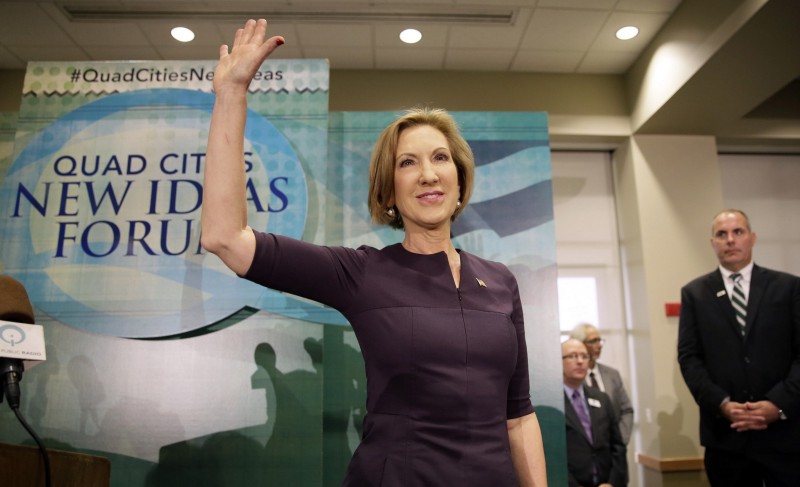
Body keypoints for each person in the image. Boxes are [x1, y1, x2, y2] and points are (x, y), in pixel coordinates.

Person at [200, 19, 547, 487]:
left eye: (440, 158)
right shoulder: (362, 273)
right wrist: (231, 95)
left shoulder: (502, 281)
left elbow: (519, 416)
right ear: (388, 193)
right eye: (408, 163)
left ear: (460, 182)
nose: (428, 174)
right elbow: (225, 236)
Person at [677, 209, 800, 486]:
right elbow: (689, 358)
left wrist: (777, 405)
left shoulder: (788, 287)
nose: (730, 240)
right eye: (722, 234)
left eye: (738, 232)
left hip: (784, 437)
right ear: (713, 243)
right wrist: (721, 404)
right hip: (726, 440)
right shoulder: (695, 294)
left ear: (752, 238)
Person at [561, 339, 627, 487]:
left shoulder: (602, 398)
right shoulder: (554, 403)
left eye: (584, 357)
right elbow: (551, 455)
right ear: (559, 362)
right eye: (572, 356)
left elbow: (618, 446)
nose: (580, 361)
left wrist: (612, 483)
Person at [569, 323, 634, 444]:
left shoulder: (612, 375)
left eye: (600, 340)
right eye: (593, 341)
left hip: (614, 450)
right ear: (580, 344)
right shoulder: (571, 378)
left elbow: (626, 410)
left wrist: (620, 439)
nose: (599, 345)